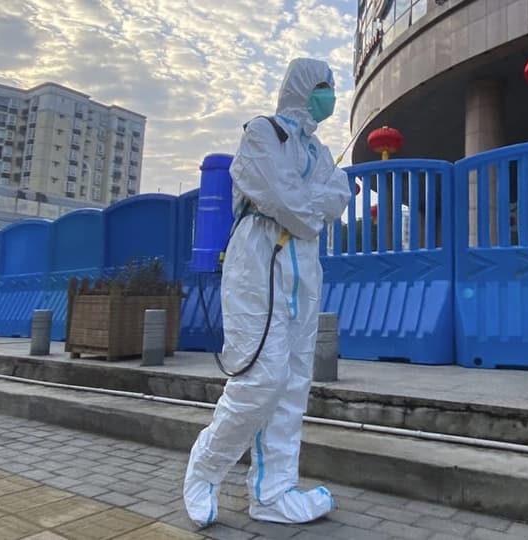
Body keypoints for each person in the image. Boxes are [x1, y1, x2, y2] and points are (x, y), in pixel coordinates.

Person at [183, 58, 352, 527]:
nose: (329, 95)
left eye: (332, 87)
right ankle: (205, 470)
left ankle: (273, 491)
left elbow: (338, 197)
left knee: (294, 385)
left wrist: (307, 203)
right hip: (256, 267)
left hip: (304, 272)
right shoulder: (262, 133)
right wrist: (310, 203)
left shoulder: (318, 151)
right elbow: (287, 203)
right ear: (300, 87)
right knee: (260, 380)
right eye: (322, 86)